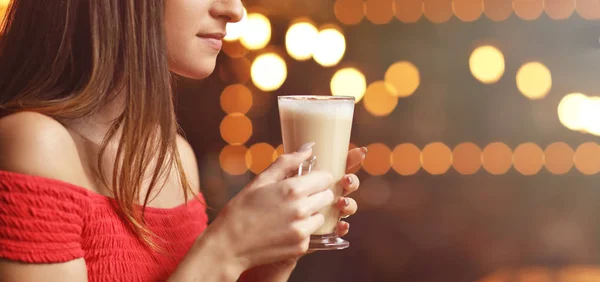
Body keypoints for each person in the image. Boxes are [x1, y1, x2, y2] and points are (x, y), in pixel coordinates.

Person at [0, 0, 365, 281]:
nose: (235, 11)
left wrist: (269, 257)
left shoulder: (174, 156)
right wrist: (226, 249)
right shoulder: (33, 143)